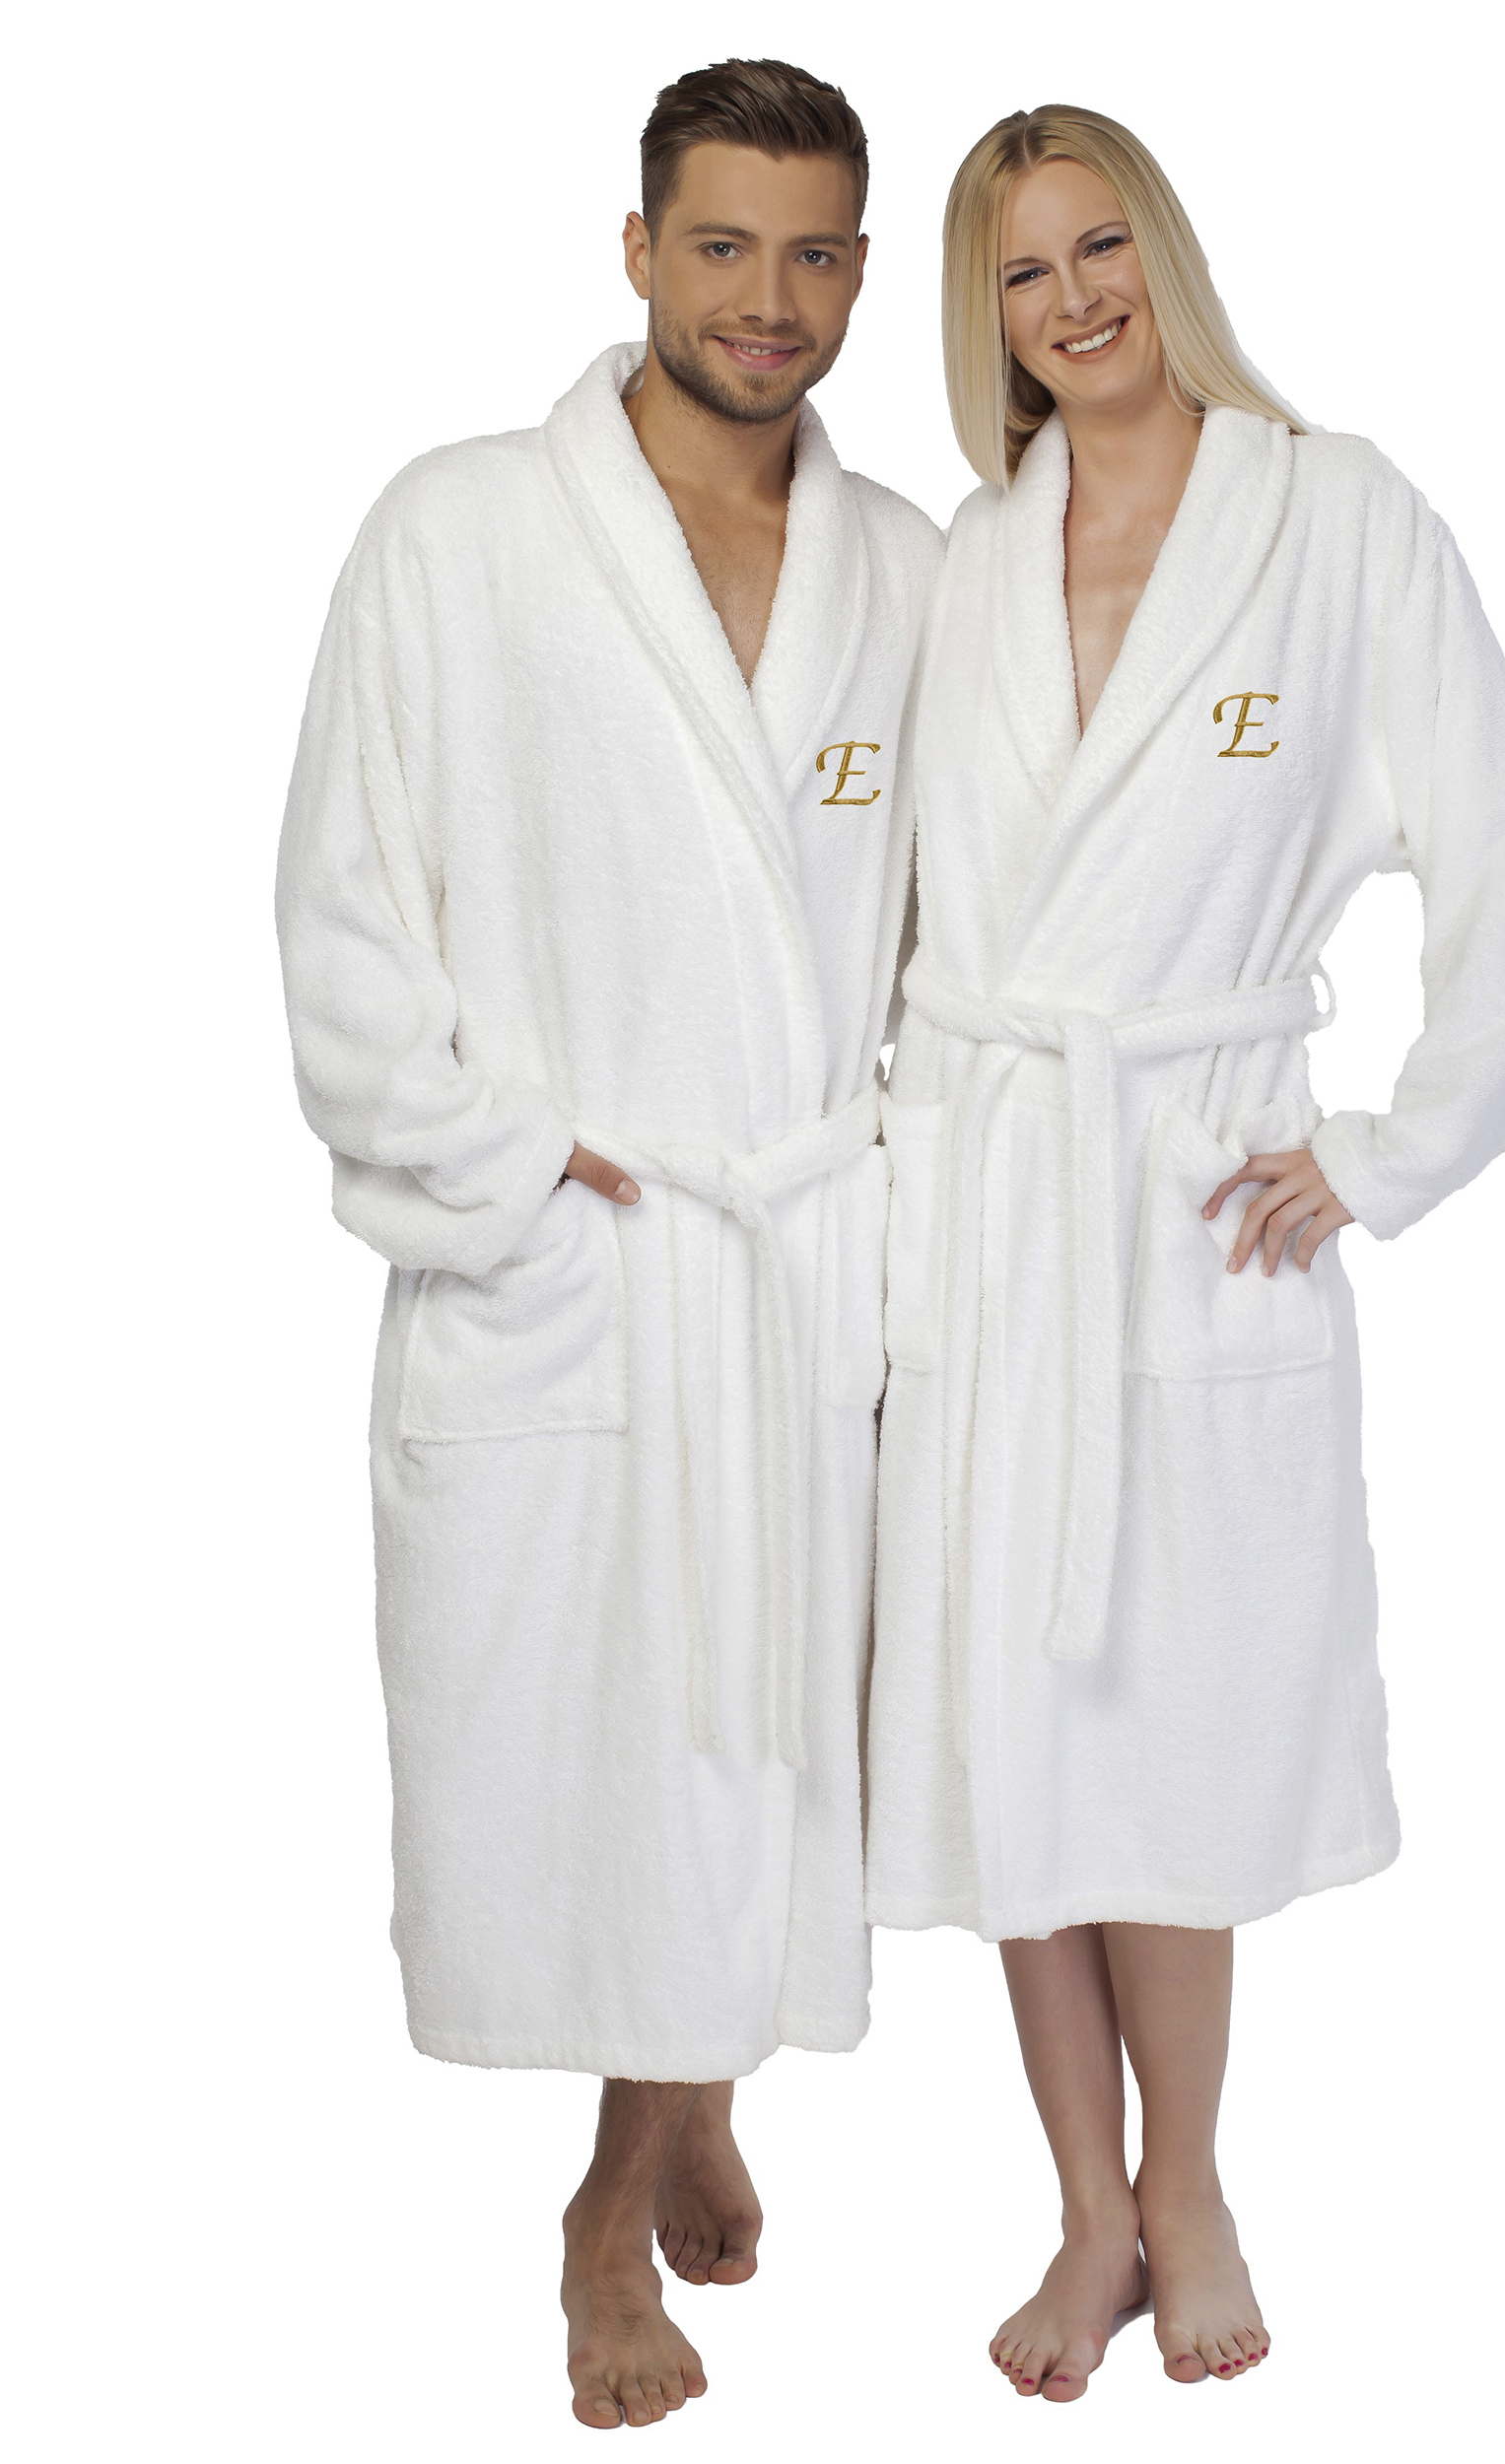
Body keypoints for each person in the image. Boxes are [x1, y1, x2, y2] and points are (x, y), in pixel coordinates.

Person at [866, 105, 1505, 2402]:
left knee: (1162, 1734)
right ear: (982, 318)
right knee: (1010, 1743)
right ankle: (1085, 2206)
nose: (1070, 298)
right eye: (1019, 271)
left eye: (1099, 246)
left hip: (1186, 1206)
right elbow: (873, 898)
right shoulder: (962, 564)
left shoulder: (1335, 520)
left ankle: (1189, 2183)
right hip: (985, 1208)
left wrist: (1382, 1151)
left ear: (1162, 254)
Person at [276, 58, 939, 2431]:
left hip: (798, 1261)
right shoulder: (458, 535)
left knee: (769, 1738)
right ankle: (611, 2190)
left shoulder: (909, 578)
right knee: (604, 1755)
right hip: (578, 1257)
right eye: (722, 245)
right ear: (639, 248)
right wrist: (504, 1165)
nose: (769, 299)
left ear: (858, 272)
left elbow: (950, 942)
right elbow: (347, 921)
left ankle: (655, 2130)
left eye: (814, 252)